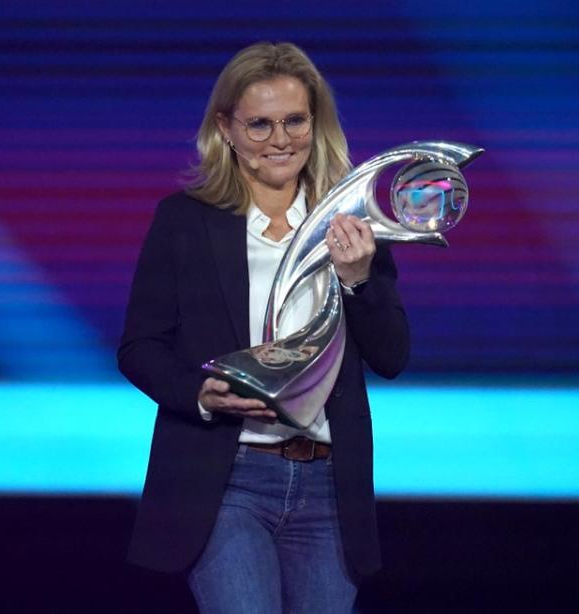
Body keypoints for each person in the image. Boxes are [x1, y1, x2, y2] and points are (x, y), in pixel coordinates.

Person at [118, 41, 409, 613]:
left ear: (315, 122)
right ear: (225, 127)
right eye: (260, 124)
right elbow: (140, 347)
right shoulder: (185, 222)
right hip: (226, 482)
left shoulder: (350, 226)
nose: (281, 140)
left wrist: (358, 279)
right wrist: (199, 393)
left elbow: (392, 356)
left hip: (329, 487)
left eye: (295, 120)